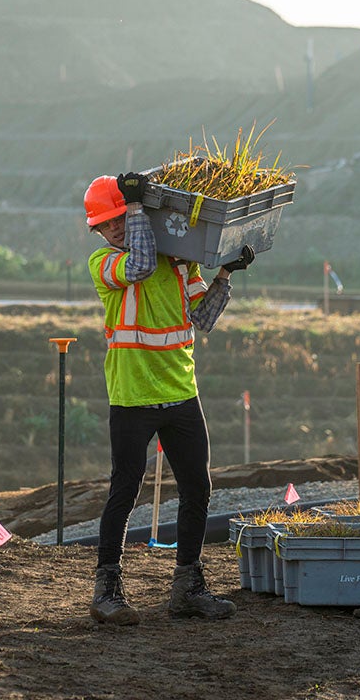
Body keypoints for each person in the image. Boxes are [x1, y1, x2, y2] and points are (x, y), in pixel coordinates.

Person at [83, 171, 254, 625]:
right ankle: (107, 590)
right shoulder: (103, 264)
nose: (114, 229)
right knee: (125, 487)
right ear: (98, 231)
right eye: (107, 224)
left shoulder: (180, 264)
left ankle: (188, 587)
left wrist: (225, 275)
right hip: (132, 395)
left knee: (198, 487)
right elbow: (138, 264)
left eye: (120, 218)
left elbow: (203, 319)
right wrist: (138, 206)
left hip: (180, 393)